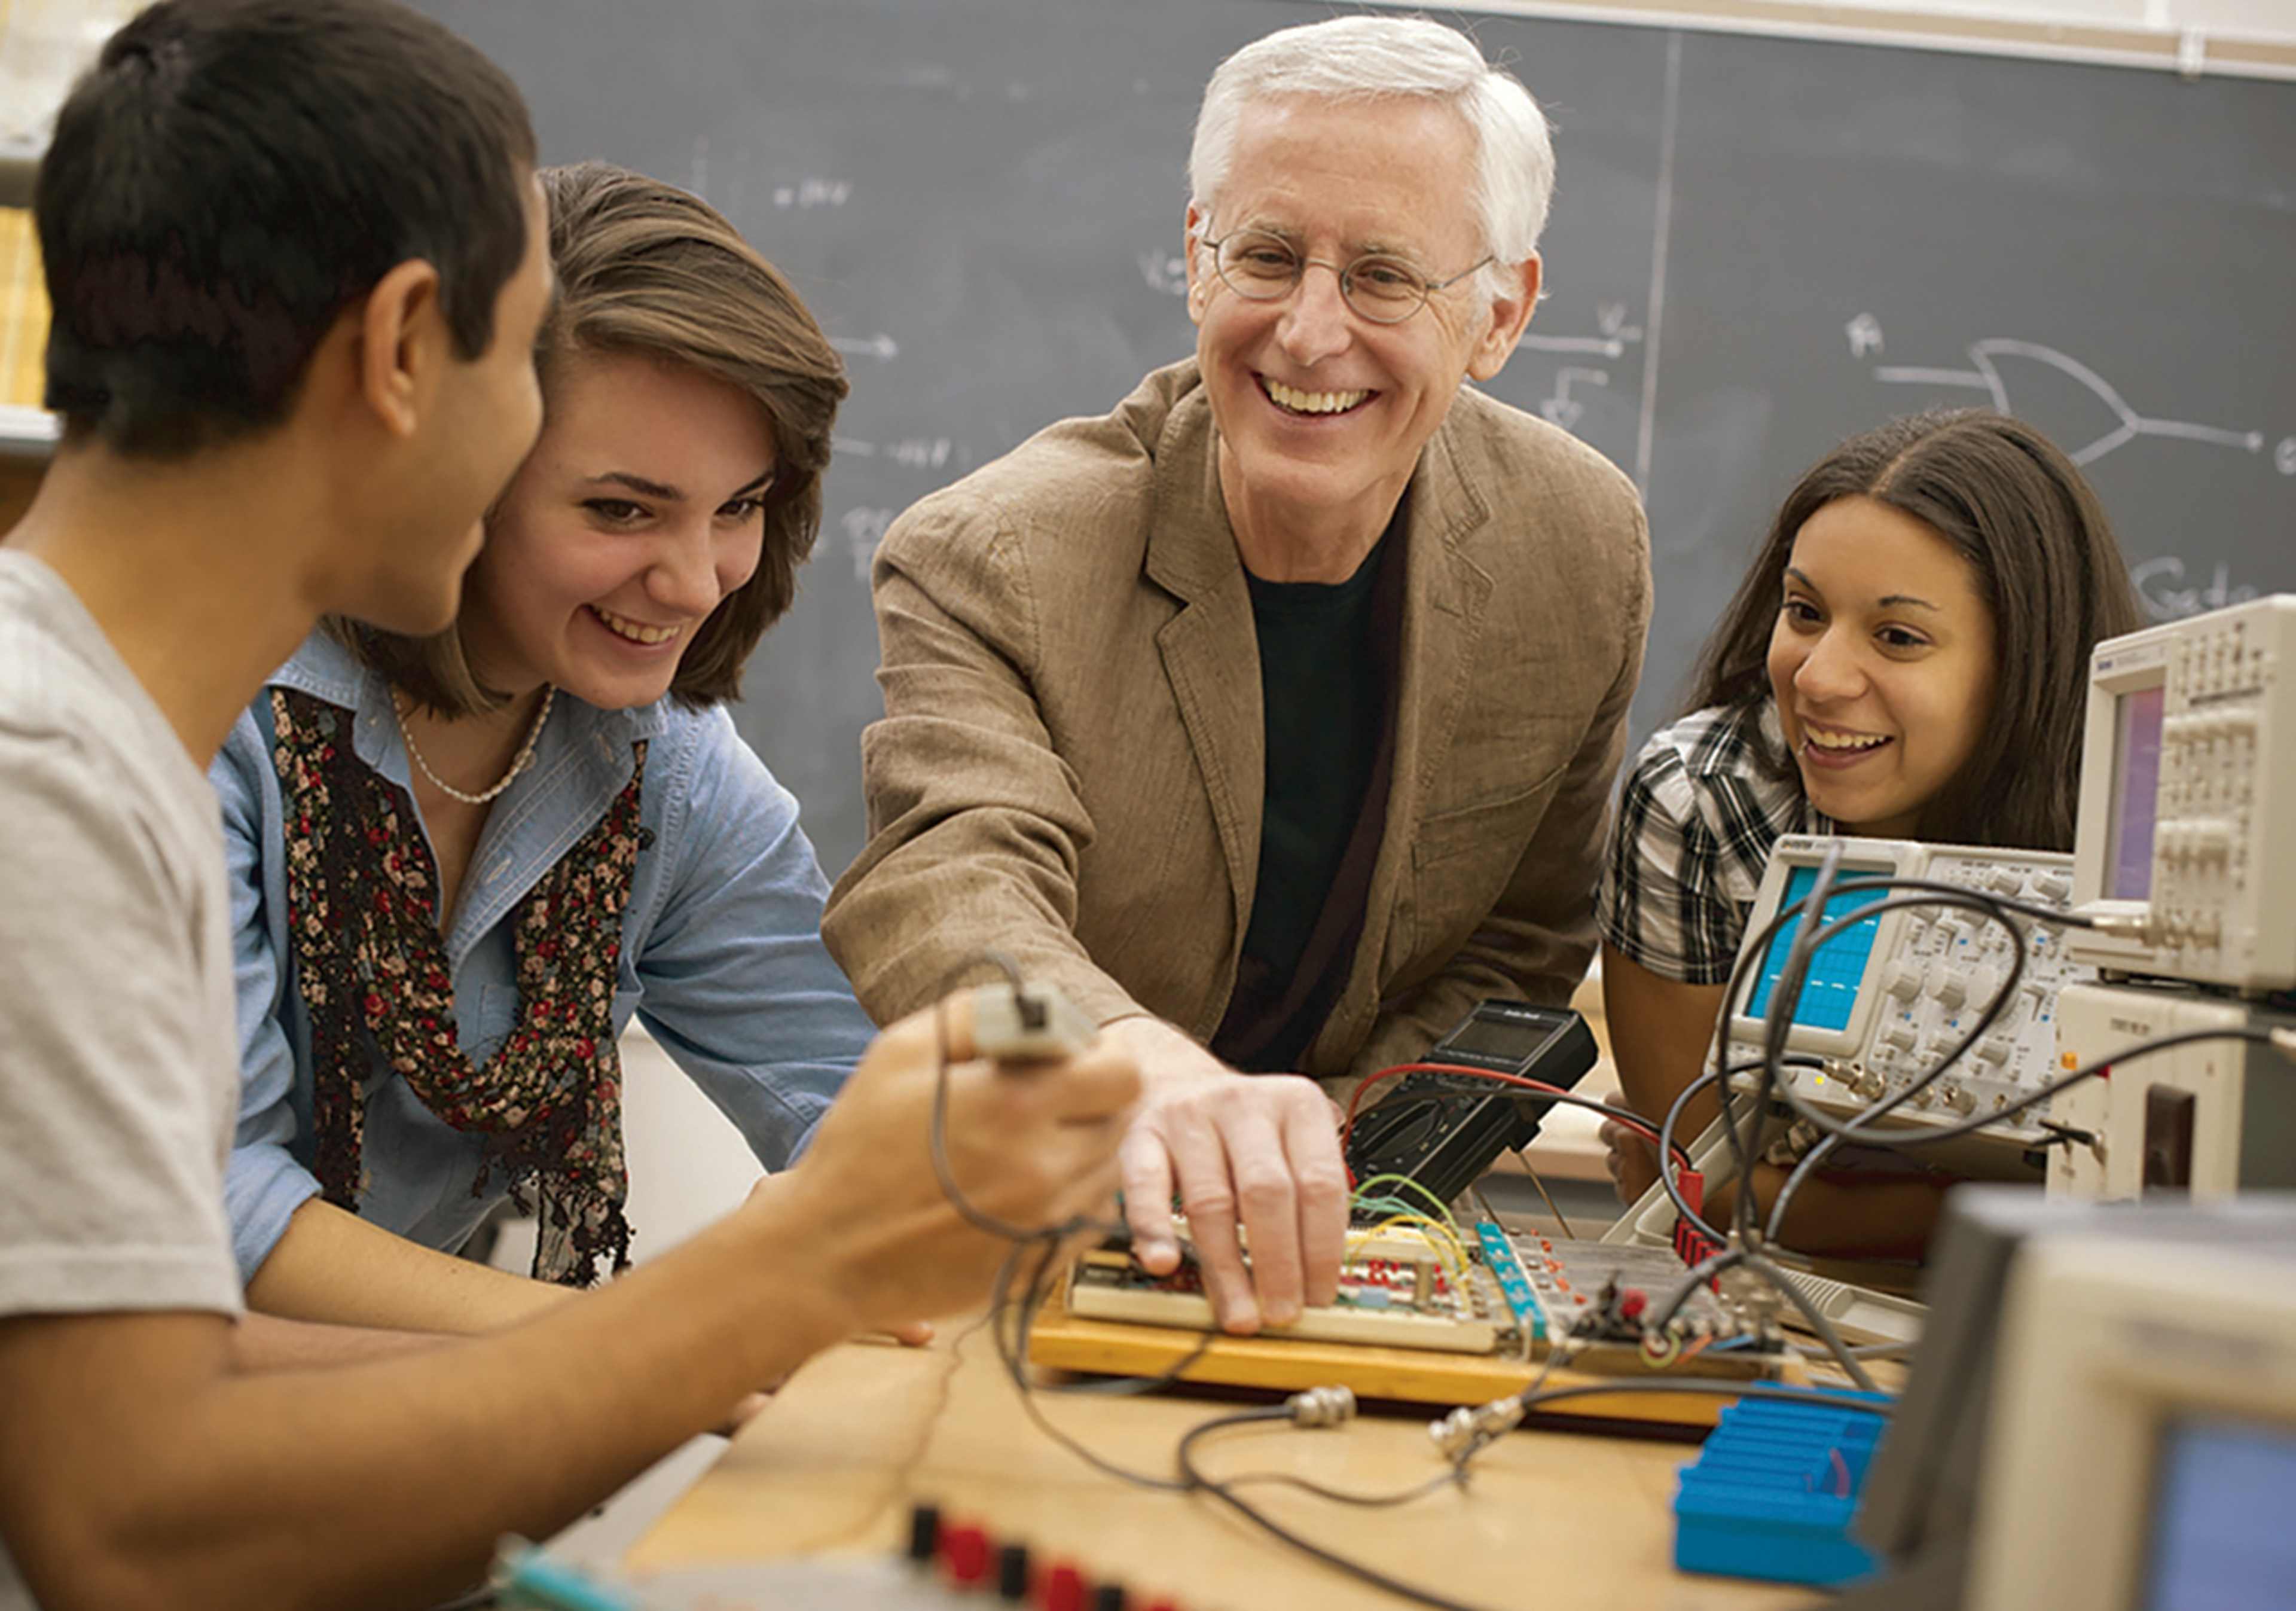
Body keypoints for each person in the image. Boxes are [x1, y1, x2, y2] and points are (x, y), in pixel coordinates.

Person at [0, 7, 1135, 1609]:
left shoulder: (98, 736)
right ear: (406, 351)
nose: (690, 573)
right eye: (520, 362)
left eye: (737, 508)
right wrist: (756, 1292)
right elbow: (131, 1522)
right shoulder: (49, 776)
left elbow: (176, 1381)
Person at [823, 15, 1651, 1334]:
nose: (1310, 333)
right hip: (1031, 1219)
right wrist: (1129, 1066)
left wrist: (1325, 1148)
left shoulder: (1581, 547)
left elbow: (1521, 940)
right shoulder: (992, 557)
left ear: (1500, 313)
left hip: (1355, 1241)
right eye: (1266, 256)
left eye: (1384, 276)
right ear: (1198, 261)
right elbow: (946, 897)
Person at [216, 159, 880, 1331]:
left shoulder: (671, 772)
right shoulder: (215, 709)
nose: (696, 582)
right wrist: (645, 1343)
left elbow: (860, 1099)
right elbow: (210, 1203)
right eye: (621, 510)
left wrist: (879, 1197)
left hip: (373, 1412)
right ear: (451, 477)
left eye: (739, 506)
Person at [1595, 408, 2144, 1258]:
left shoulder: (2158, 833)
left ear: (2026, 664)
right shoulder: (1701, 801)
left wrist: (1818, 1199)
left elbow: (2182, 1202)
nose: (1818, 678)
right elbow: (1700, 1183)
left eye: (1897, 637)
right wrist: (2030, 1199)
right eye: (1805, 612)